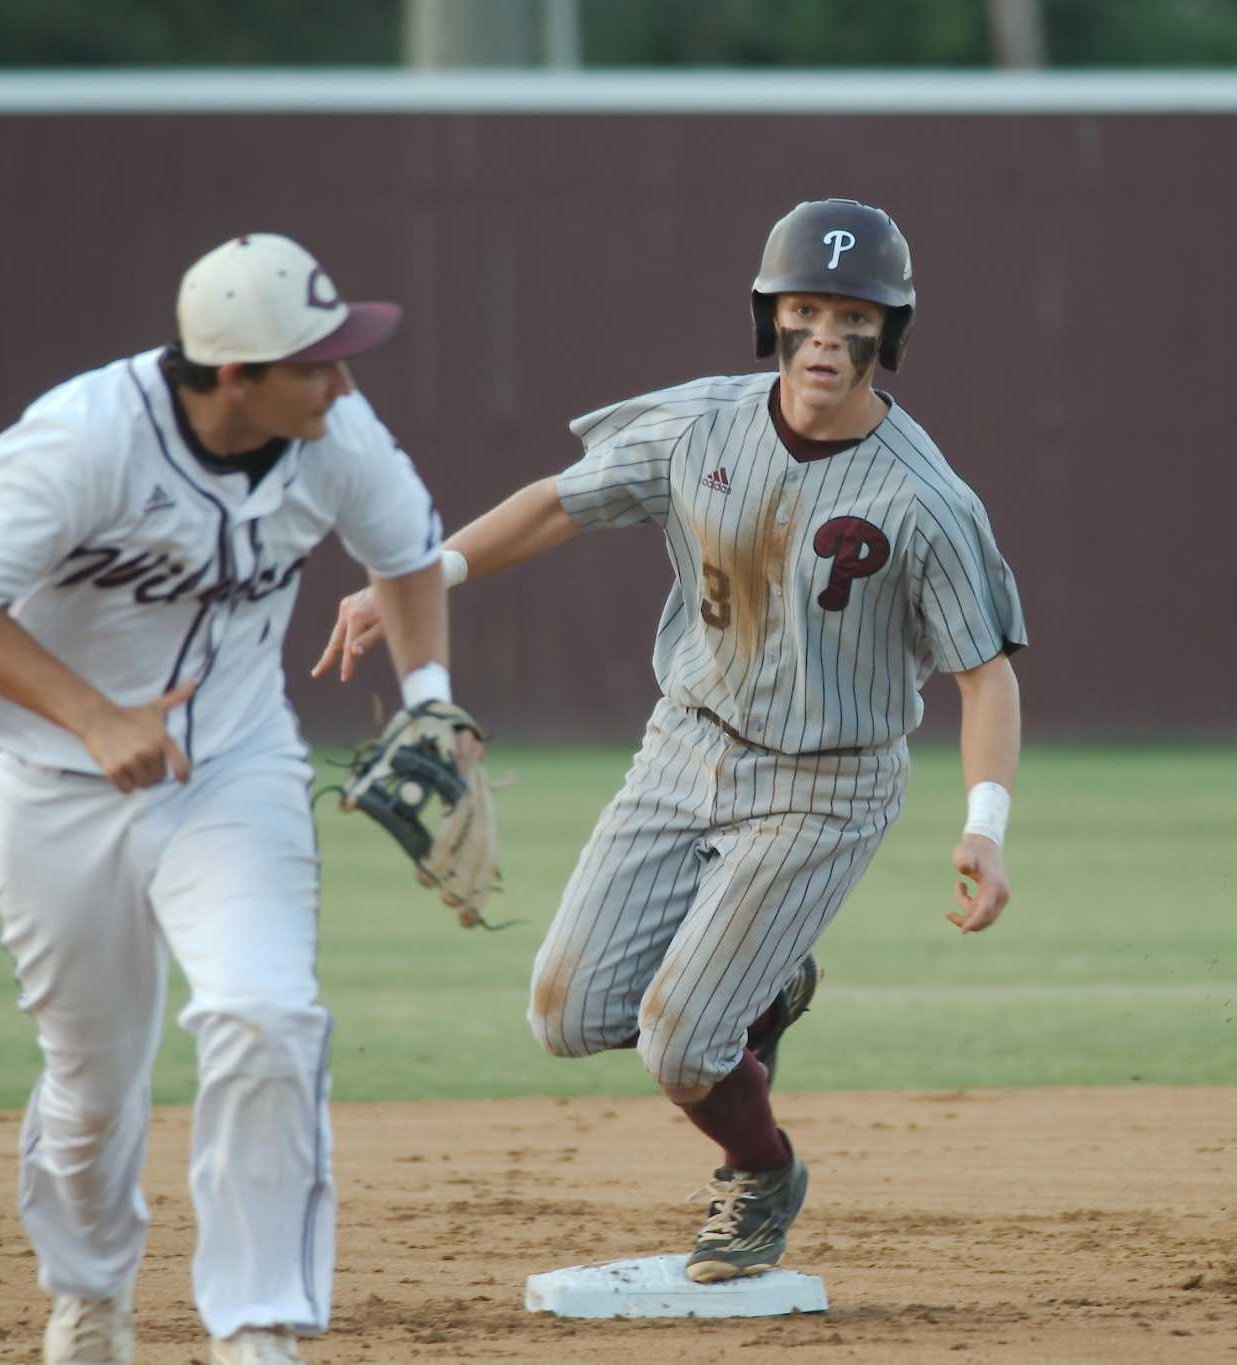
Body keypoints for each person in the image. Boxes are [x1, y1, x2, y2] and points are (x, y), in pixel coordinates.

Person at [314, 198, 1027, 1282]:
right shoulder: (703, 423)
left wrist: (985, 825)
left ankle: (761, 1174)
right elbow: (559, 503)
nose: (825, 336)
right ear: (768, 318)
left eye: (852, 313)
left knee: (681, 1042)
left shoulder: (925, 498)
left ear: (890, 330)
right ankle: (765, 990)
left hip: (821, 785)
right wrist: (423, 577)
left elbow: (986, 676)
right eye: (803, 309)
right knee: (567, 1013)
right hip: (684, 744)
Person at [0, 234, 464, 1365]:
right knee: (92, 1087)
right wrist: (97, 719)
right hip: (62, 790)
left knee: (265, 1014)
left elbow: (407, 553)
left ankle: (258, 1327)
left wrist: (432, 697)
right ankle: (89, 1291)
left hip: (237, 773)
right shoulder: (82, 440)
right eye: (316, 364)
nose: (344, 382)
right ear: (235, 375)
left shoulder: (332, 434)